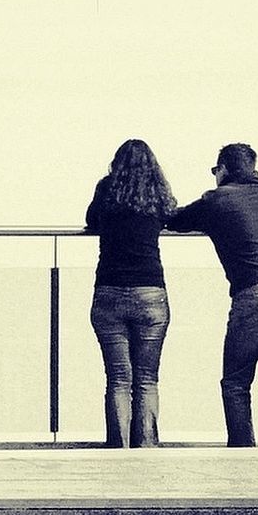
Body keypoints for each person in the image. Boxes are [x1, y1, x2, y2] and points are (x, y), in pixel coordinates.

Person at [167, 143, 258, 447]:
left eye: (215, 170)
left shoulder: (216, 199)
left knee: (235, 381)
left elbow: (174, 220)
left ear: (224, 169)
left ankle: (243, 449)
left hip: (254, 292)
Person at [84, 139, 176, 447]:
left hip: (108, 292)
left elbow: (90, 219)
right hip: (150, 292)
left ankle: (118, 448)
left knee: (118, 379)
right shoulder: (157, 193)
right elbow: (172, 216)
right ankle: (146, 448)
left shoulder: (107, 189)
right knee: (147, 379)